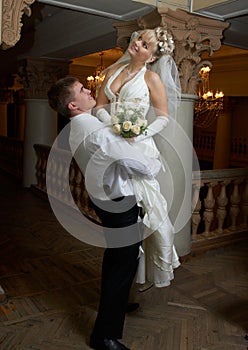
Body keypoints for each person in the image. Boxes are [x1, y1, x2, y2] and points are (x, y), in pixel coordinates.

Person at [47, 76, 162, 350]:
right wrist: (152, 162)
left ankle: (117, 305)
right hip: (119, 201)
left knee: (121, 260)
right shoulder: (97, 131)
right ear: (73, 104)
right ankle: (104, 336)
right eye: (83, 91)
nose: (90, 91)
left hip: (106, 200)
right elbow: (143, 166)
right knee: (120, 265)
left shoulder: (76, 127)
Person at [94, 27, 181, 290]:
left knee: (142, 211)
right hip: (110, 143)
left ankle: (133, 278)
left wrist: (139, 133)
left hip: (138, 146)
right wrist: (112, 124)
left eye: (145, 46)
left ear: (152, 57)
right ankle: (123, 277)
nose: (138, 45)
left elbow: (164, 117)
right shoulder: (111, 71)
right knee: (117, 208)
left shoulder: (151, 79)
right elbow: (98, 106)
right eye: (138, 40)